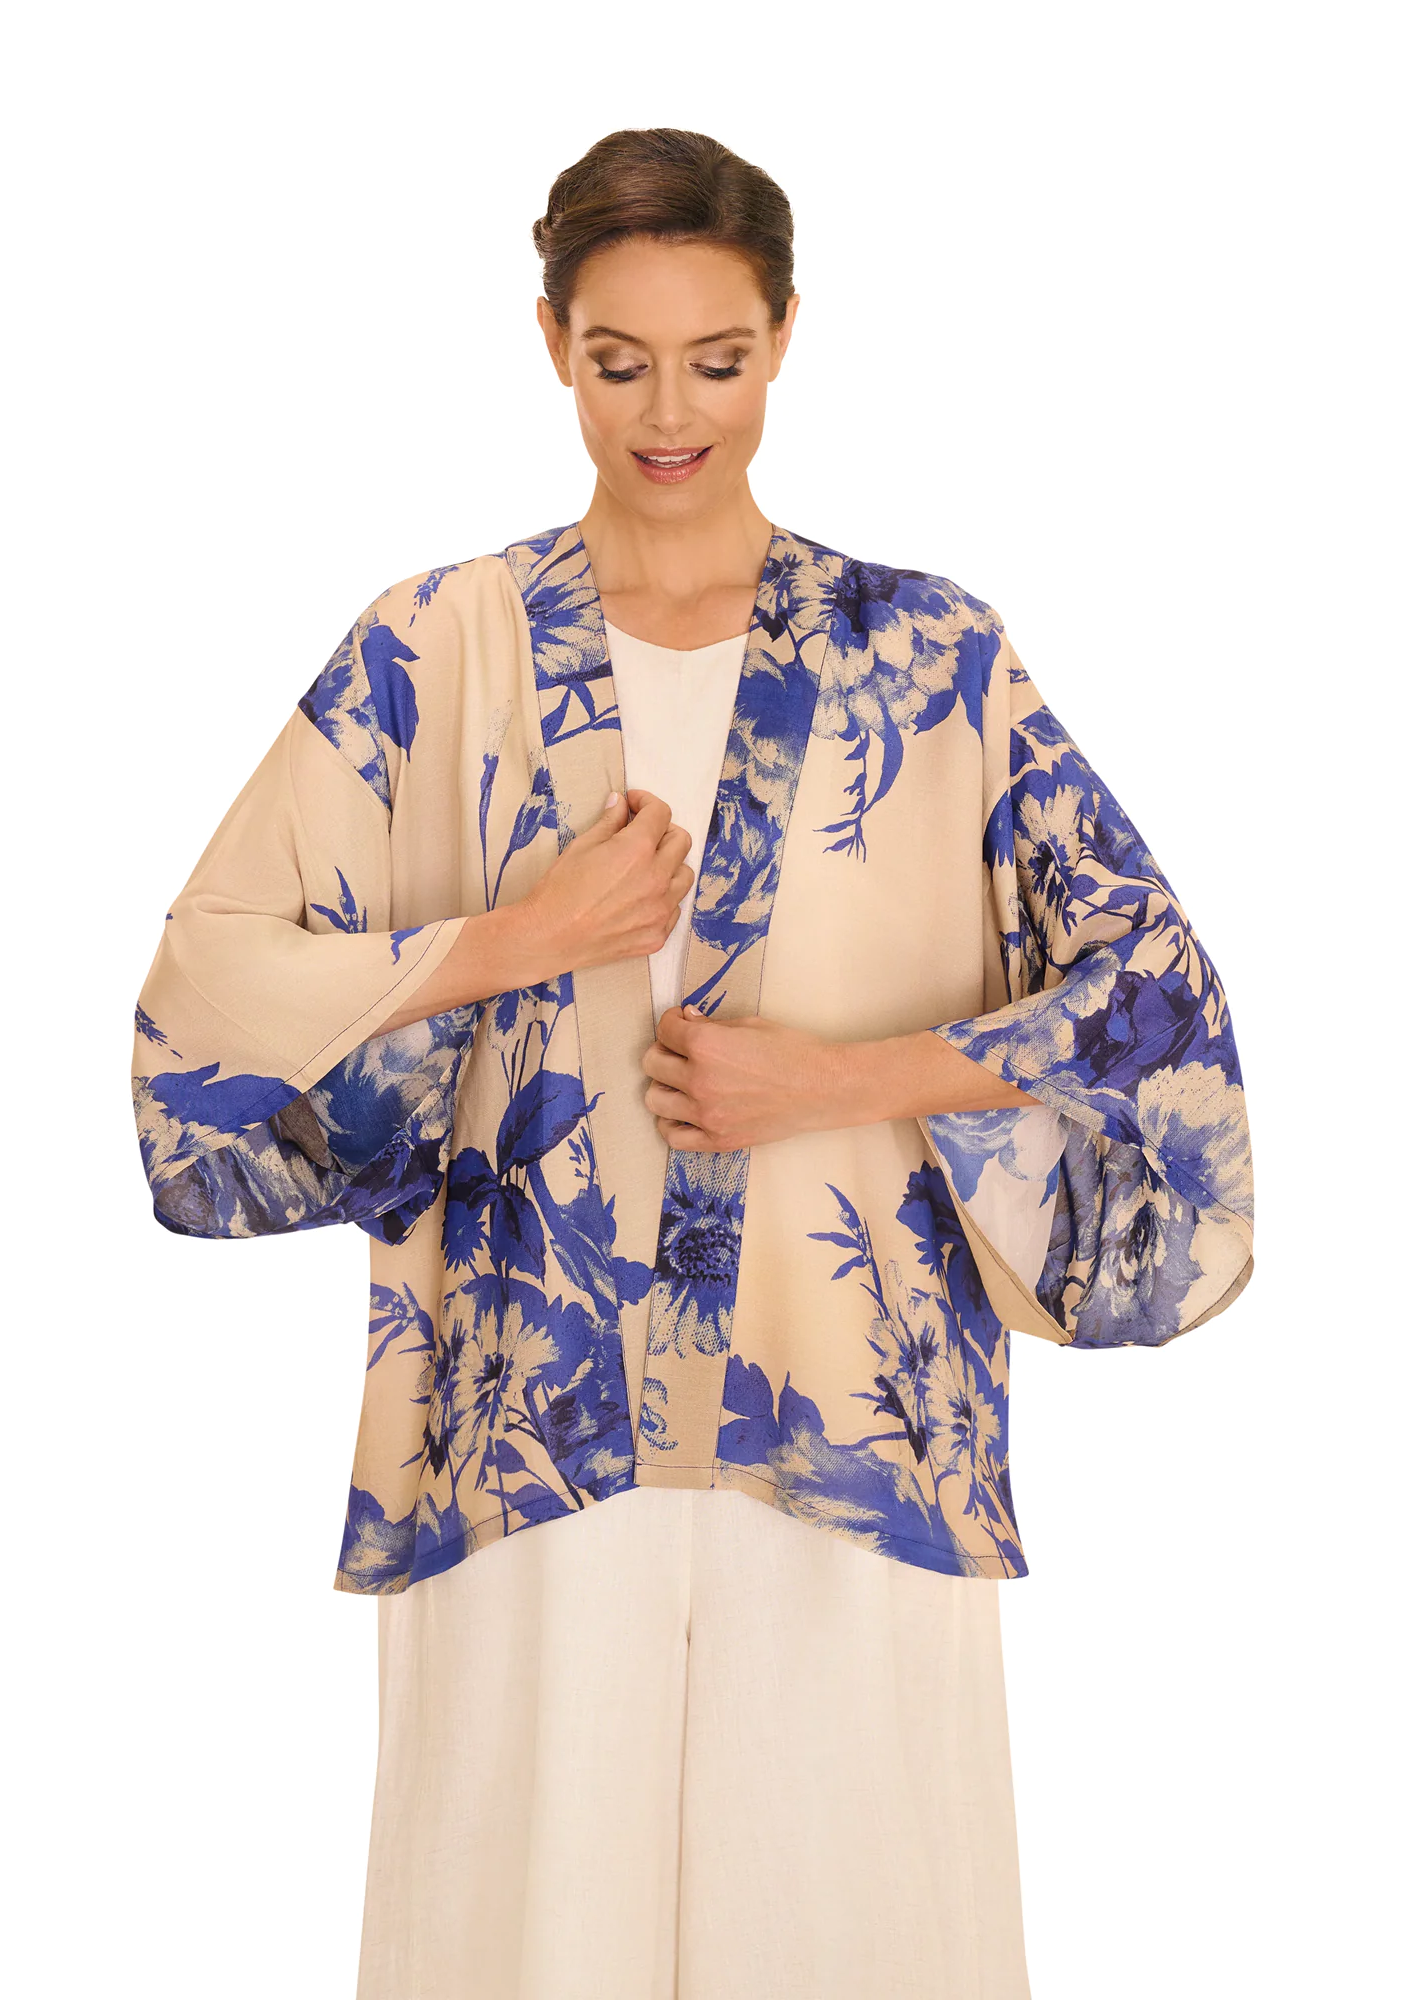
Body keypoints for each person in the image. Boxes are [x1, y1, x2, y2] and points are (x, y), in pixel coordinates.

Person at [132, 127, 1254, 1999]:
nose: (669, 414)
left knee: (855, 1940)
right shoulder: (432, 647)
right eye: (620, 360)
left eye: (716, 360)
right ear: (551, 345)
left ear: (785, 336)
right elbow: (206, 988)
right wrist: (514, 942)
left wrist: (841, 1082)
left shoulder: (929, 657)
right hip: (525, 1420)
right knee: (518, 1948)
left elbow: (1152, 997)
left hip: (849, 1413)